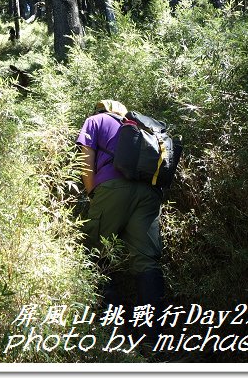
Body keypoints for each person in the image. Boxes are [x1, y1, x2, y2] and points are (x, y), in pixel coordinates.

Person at [76, 100, 165, 334]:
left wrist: (93, 193)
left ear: (101, 109)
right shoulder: (139, 126)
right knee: (146, 261)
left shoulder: (95, 121)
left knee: (95, 251)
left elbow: (85, 160)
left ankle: (113, 331)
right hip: (148, 193)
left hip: (113, 188)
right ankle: (153, 337)